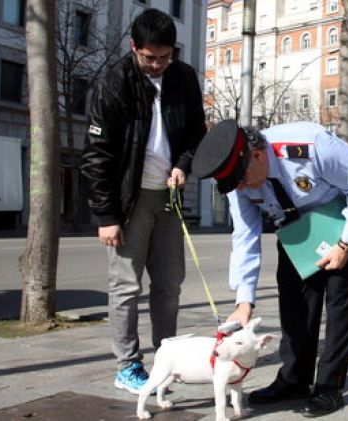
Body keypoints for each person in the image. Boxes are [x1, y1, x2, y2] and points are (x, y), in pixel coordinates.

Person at [191, 119, 348, 417]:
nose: (240, 188)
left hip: (343, 208)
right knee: (294, 299)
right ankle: (294, 380)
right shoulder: (238, 180)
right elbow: (245, 236)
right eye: (233, 184)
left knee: (339, 298)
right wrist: (244, 301)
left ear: (258, 156)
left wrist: (345, 245)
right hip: (293, 219)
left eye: (241, 180)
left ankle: (330, 387)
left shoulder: (311, 146)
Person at [80, 8, 206, 394]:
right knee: (125, 287)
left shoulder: (183, 78)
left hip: (168, 197)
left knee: (169, 284)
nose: (156, 65)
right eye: (149, 57)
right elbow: (97, 154)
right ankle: (128, 365)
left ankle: (166, 357)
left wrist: (184, 165)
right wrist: (106, 215)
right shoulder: (113, 83)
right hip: (127, 201)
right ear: (134, 47)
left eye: (165, 57)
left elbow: (195, 133)